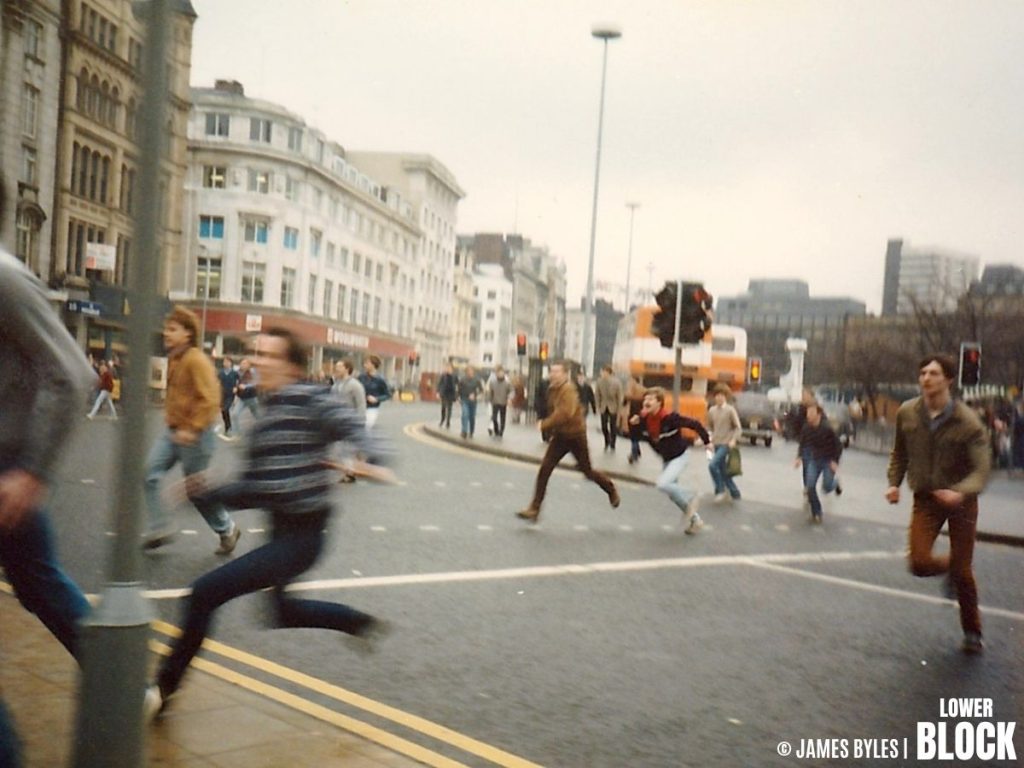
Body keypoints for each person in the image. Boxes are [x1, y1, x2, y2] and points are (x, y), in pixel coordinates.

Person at [144, 327, 394, 719]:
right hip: (282, 532)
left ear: (292, 367)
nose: (259, 360)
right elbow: (257, 489)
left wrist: (375, 460)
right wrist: (204, 491)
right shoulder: (266, 417)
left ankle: (163, 687)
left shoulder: (311, 399)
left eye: (270, 355)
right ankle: (359, 623)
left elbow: (354, 427)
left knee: (202, 594)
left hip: (303, 538)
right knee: (281, 612)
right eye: (256, 353)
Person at [0, 233, 95, 766]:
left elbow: (72, 374)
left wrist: (32, 472)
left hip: (6, 473)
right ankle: (122, 684)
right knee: (40, 584)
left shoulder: (4, 276)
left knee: (42, 583)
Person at [885, 354, 991, 654]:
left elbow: (981, 469)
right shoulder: (907, 412)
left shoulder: (967, 421)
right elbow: (899, 453)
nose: (926, 378)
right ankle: (952, 569)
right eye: (922, 373)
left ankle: (972, 632)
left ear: (948, 380)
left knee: (965, 572)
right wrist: (893, 482)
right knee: (918, 562)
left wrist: (961, 492)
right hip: (927, 498)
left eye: (933, 373)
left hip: (961, 501)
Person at [143, 306, 240, 554]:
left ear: (187, 333)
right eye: (166, 328)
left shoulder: (196, 359)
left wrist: (192, 429)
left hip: (196, 435)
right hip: (173, 432)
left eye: (172, 329)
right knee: (150, 474)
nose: (166, 333)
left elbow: (211, 398)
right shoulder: (176, 359)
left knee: (196, 492)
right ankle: (160, 527)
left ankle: (228, 529)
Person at [517, 361, 619, 522]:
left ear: (565, 375)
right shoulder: (552, 389)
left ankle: (610, 488)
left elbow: (565, 413)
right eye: (552, 371)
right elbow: (551, 409)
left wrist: (545, 424)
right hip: (560, 436)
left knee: (587, 471)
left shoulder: (568, 389)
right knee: (545, 469)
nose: (553, 374)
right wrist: (547, 425)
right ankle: (534, 509)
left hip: (575, 436)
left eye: (557, 372)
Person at [631, 387, 711, 534]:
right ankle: (696, 520)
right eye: (645, 399)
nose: (646, 401)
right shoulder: (644, 420)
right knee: (673, 495)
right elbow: (635, 437)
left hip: (680, 456)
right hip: (667, 460)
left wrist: (707, 441)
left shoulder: (670, 418)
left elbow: (695, 424)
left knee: (662, 484)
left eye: (650, 399)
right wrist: (634, 424)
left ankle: (691, 496)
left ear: (659, 403)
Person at [794, 402, 842, 523]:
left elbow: (838, 445)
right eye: (807, 413)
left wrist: (835, 461)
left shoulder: (827, 428)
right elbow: (802, 443)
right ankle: (817, 512)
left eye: (811, 413)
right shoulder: (806, 428)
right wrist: (799, 457)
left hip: (827, 460)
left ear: (818, 414)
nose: (808, 415)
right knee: (810, 486)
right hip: (814, 460)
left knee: (826, 487)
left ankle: (835, 484)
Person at [707, 384, 742, 502]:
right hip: (716, 443)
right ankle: (735, 492)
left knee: (712, 465)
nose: (719, 398)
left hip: (726, 444)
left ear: (726, 397)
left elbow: (738, 427)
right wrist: (708, 440)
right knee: (722, 469)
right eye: (717, 395)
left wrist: (733, 440)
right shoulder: (711, 410)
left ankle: (720, 490)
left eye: (721, 396)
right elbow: (710, 427)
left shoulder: (730, 410)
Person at [594, 365, 624, 451]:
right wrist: (597, 406)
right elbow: (597, 395)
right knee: (604, 426)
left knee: (613, 426)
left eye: (603, 372)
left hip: (613, 407)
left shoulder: (616, 382)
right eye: (601, 372)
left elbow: (619, 397)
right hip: (603, 407)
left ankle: (612, 443)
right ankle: (606, 441)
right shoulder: (599, 382)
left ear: (608, 372)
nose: (601, 373)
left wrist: (619, 409)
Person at [358, 355, 391, 430]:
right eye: (364, 363)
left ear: (373, 365)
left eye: (367, 363)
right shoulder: (361, 377)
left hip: (371, 408)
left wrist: (376, 399)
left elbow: (388, 394)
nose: (364, 365)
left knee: (366, 428)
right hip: (360, 407)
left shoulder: (380, 380)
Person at [624, 375, 646, 464]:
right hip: (641, 415)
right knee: (636, 435)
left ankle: (633, 454)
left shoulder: (631, 390)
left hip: (633, 414)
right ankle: (637, 451)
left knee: (633, 436)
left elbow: (625, 401)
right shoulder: (644, 390)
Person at [457, 365, 483, 439]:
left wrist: (476, 395)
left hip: (473, 402)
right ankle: (464, 431)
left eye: (471, 371)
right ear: (466, 372)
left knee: (472, 417)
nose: (470, 373)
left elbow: (481, 390)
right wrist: (458, 398)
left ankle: (471, 431)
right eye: (468, 371)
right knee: (465, 415)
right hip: (464, 400)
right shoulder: (462, 380)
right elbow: (458, 390)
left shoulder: (477, 380)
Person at [217, 356, 239, 440]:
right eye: (224, 362)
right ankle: (227, 426)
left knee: (226, 409)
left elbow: (238, 381)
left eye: (227, 362)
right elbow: (218, 382)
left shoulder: (234, 373)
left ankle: (228, 427)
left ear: (230, 363)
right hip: (222, 394)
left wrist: (236, 387)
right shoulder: (221, 372)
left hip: (230, 394)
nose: (225, 363)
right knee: (223, 411)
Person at [487, 365, 512, 438]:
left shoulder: (507, 383)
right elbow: (490, 392)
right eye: (499, 373)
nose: (501, 374)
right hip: (495, 402)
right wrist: (490, 400)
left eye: (502, 373)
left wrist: (509, 399)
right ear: (496, 374)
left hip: (503, 402)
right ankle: (496, 429)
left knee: (502, 418)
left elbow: (510, 391)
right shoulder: (492, 382)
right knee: (494, 418)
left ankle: (501, 430)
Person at [437, 362, 457, 429]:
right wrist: (438, 392)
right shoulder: (443, 375)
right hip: (444, 393)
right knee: (443, 407)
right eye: (446, 367)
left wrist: (457, 395)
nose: (447, 369)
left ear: (452, 369)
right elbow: (439, 384)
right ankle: (442, 419)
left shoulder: (454, 375)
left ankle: (448, 422)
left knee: (449, 409)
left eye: (449, 368)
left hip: (451, 394)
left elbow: (458, 384)